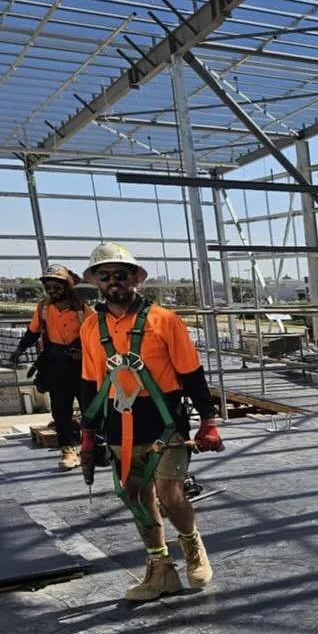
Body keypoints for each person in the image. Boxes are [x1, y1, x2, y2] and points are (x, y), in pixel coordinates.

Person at [77, 242, 222, 603]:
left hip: (164, 420)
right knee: (135, 496)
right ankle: (160, 569)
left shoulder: (164, 321)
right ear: (96, 281)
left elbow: (192, 374)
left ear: (135, 279)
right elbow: (89, 382)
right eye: (106, 276)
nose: (115, 282)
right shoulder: (91, 327)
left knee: (170, 494)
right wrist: (87, 434)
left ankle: (191, 546)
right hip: (118, 421)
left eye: (121, 275)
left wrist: (208, 420)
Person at [10, 265, 89, 470]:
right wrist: (19, 350)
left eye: (57, 287)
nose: (52, 292)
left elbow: (95, 335)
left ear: (66, 287)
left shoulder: (83, 310)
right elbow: (33, 331)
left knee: (90, 409)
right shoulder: (44, 308)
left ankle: (91, 447)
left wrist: (80, 348)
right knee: (60, 411)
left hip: (81, 366)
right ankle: (67, 450)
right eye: (49, 287)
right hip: (56, 365)